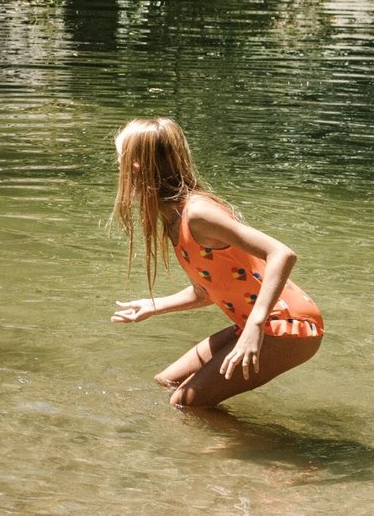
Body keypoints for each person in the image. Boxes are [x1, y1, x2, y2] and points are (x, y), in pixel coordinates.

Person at [110, 116, 323, 409]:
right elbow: (207, 291)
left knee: (184, 404)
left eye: (121, 162)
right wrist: (154, 305)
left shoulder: (197, 213)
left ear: (136, 167)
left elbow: (281, 253)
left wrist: (255, 326)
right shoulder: (173, 218)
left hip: (287, 325)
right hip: (256, 323)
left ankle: (248, 451)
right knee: (168, 383)